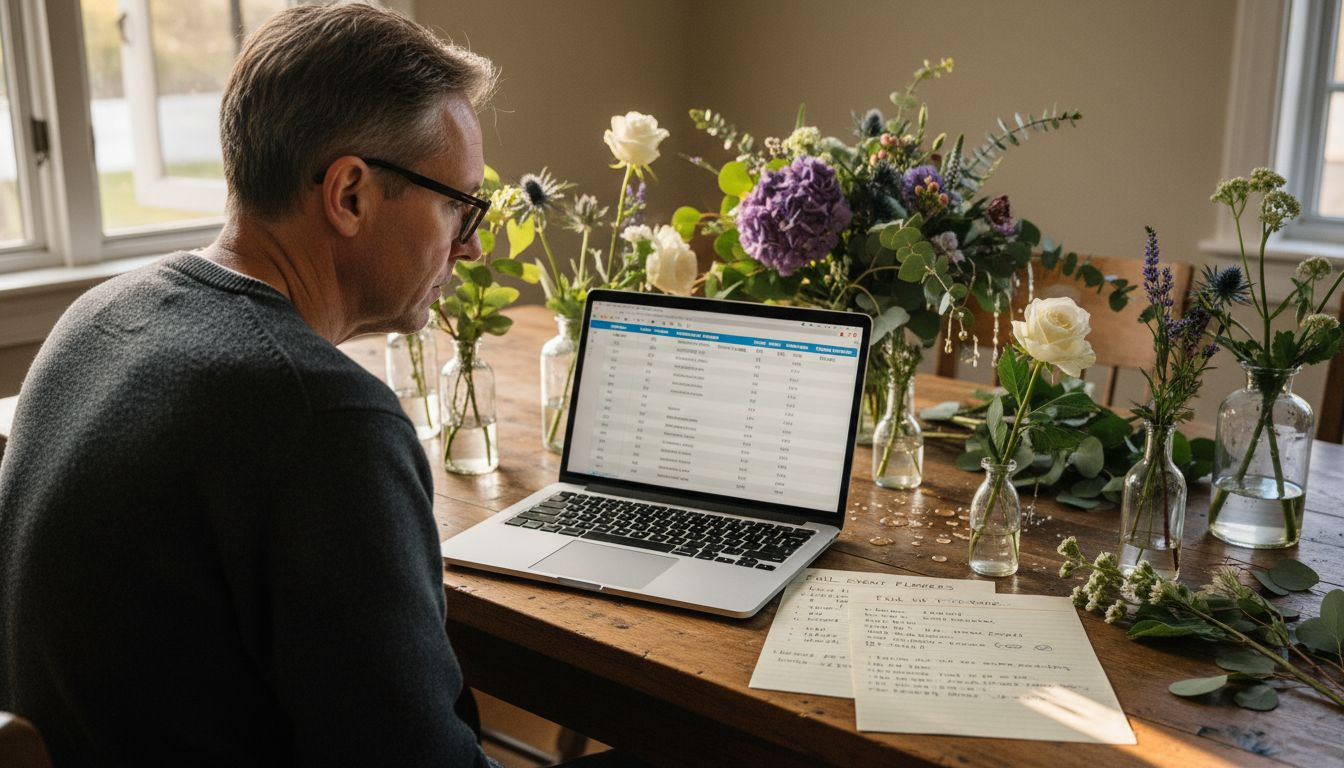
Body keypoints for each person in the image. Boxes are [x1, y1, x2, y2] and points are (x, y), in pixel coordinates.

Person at [0, 4, 500, 765]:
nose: (468, 247)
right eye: (459, 206)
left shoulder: (95, 318)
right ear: (350, 194)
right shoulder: (323, 418)